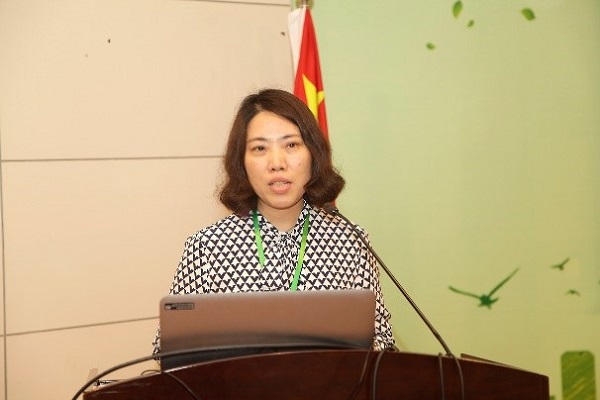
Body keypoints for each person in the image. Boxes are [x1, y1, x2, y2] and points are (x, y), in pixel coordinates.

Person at [152, 88, 395, 354]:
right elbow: (170, 349)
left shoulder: (350, 240)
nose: (277, 163)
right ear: (241, 162)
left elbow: (382, 338)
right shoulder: (207, 247)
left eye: (291, 145)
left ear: (313, 154)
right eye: (260, 148)